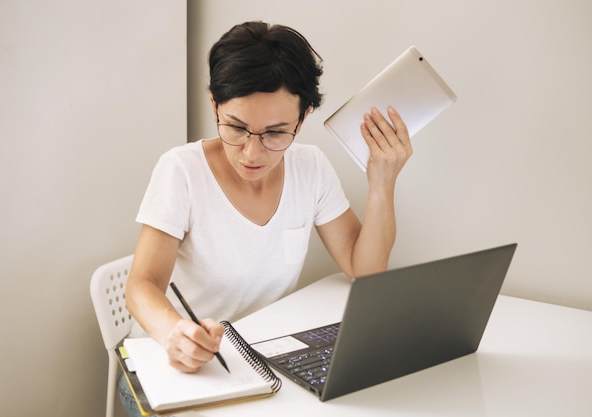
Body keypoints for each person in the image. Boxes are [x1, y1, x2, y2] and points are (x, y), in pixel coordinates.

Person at [118, 21, 412, 416]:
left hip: (260, 364)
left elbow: (366, 269)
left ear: (302, 118)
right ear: (214, 105)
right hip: (167, 371)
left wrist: (382, 182)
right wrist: (175, 334)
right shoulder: (181, 171)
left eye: (275, 133)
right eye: (236, 128)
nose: (252, 153)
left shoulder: (311, 168)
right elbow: (141, 286)